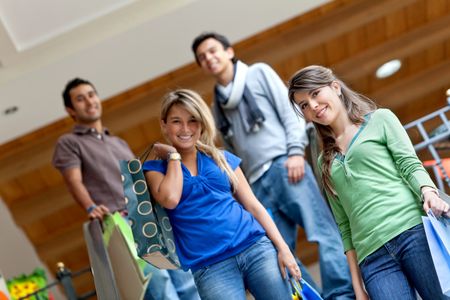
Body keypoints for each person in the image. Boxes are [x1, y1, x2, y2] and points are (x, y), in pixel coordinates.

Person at [191, 32, 354, 299]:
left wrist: (294, 153)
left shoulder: (258, 74)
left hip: (285, 166)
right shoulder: (217, 105)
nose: (209, 58)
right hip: (255, 184)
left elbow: (290, 111)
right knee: (279, 249)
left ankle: (342, 294)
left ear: (229, 51)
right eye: (202, 57)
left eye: (212, 51)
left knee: (323, 233)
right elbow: (229, 153)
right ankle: (312, 295)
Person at [287, 65, 450, 300]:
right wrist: (357, 285)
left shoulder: (380, 120)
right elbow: (343, 225)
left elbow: (409, 164)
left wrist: (429, 192)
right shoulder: (325, 161)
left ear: (335, 87)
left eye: (315, 93)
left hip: (414, 233)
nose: (312, 106)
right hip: (373, 260)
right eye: (303, 105)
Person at [143, 89, 300, 300]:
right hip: (210, 268)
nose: (186, 128)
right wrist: (173, 156)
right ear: (164, 125)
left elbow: (253, 206)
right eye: (176, 121)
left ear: (201, 123)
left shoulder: (221, 157)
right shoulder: (155, 169)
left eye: (193, 120)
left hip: (256, 249)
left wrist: (283, 249)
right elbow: (170, 199)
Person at [52, 78, 200, 300]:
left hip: (150, 219)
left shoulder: (118, 142)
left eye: (91, 94)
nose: (89, 101)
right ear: (71, 110)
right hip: (121, 225)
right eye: (80, 99)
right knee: (159, 286)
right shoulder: (69, 142)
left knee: (184, 279)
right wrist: (90, 206)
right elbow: (73, 180)